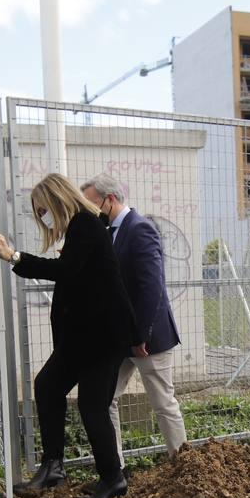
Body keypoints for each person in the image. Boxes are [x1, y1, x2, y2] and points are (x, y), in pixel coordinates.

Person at [0, 173, 138, 498]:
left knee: (91, 406)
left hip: (103, 337)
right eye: (38, 213)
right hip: (83, 337)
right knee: (48, 386)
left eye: (43, 210)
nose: (42, 218)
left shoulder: (86, 224)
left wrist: (14, 256)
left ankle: (113, 478)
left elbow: (65, 271)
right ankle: (53, 466)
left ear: (57, 200)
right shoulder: (79, 230)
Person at [80, 175, 186, 466]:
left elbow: (151, 287)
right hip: (120, 339)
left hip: (146, 339)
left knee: (163, 404)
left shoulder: (140, 229)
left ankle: (185, 469)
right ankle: (116, 470)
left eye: (91, 204)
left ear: (110, 199)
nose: (89, 212)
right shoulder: (109, 231)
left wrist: (140, 335)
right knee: (104, 399)